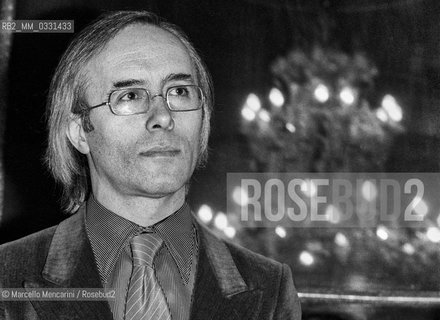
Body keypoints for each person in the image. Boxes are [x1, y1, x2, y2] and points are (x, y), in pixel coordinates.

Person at [0, 10, 301, 320]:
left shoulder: (269, 288)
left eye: (180, 92)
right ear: (79, 131)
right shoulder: (7, 279)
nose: (163, 117)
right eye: (130, 95)